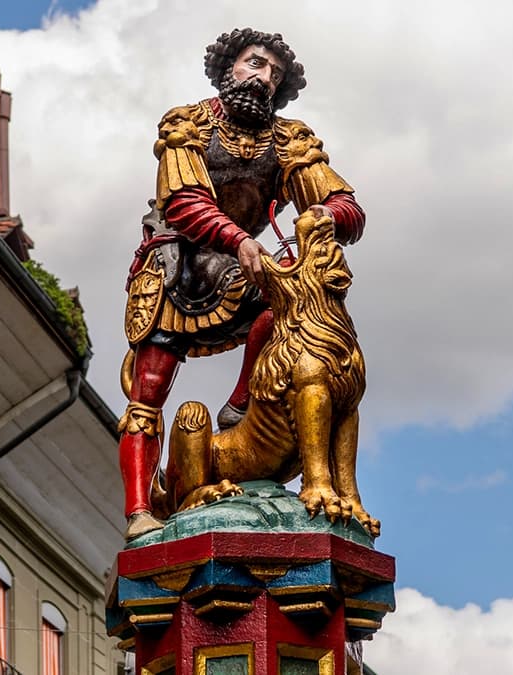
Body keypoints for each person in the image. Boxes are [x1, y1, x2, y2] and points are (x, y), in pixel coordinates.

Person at [119, 28, 367, 540]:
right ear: (228, 67)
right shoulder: (187, 123)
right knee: (149, 390)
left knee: (292, 307)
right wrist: (238, 241)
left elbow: (349, 208)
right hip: (176, 264)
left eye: (274, 73)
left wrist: (327, 213)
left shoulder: (288, 139)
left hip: (244, 267)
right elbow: (184, 202)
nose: (264, 78)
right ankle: (140, 510)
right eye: (256, 64)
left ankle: (239, 403)